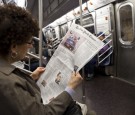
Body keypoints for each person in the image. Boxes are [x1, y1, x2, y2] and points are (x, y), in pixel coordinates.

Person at [0, 4, 85, 115]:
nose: (30, 46)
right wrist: (70, 88)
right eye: (29, 42)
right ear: (14, 47)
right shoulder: (6, 82)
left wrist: (31, 77)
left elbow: (16, 97)